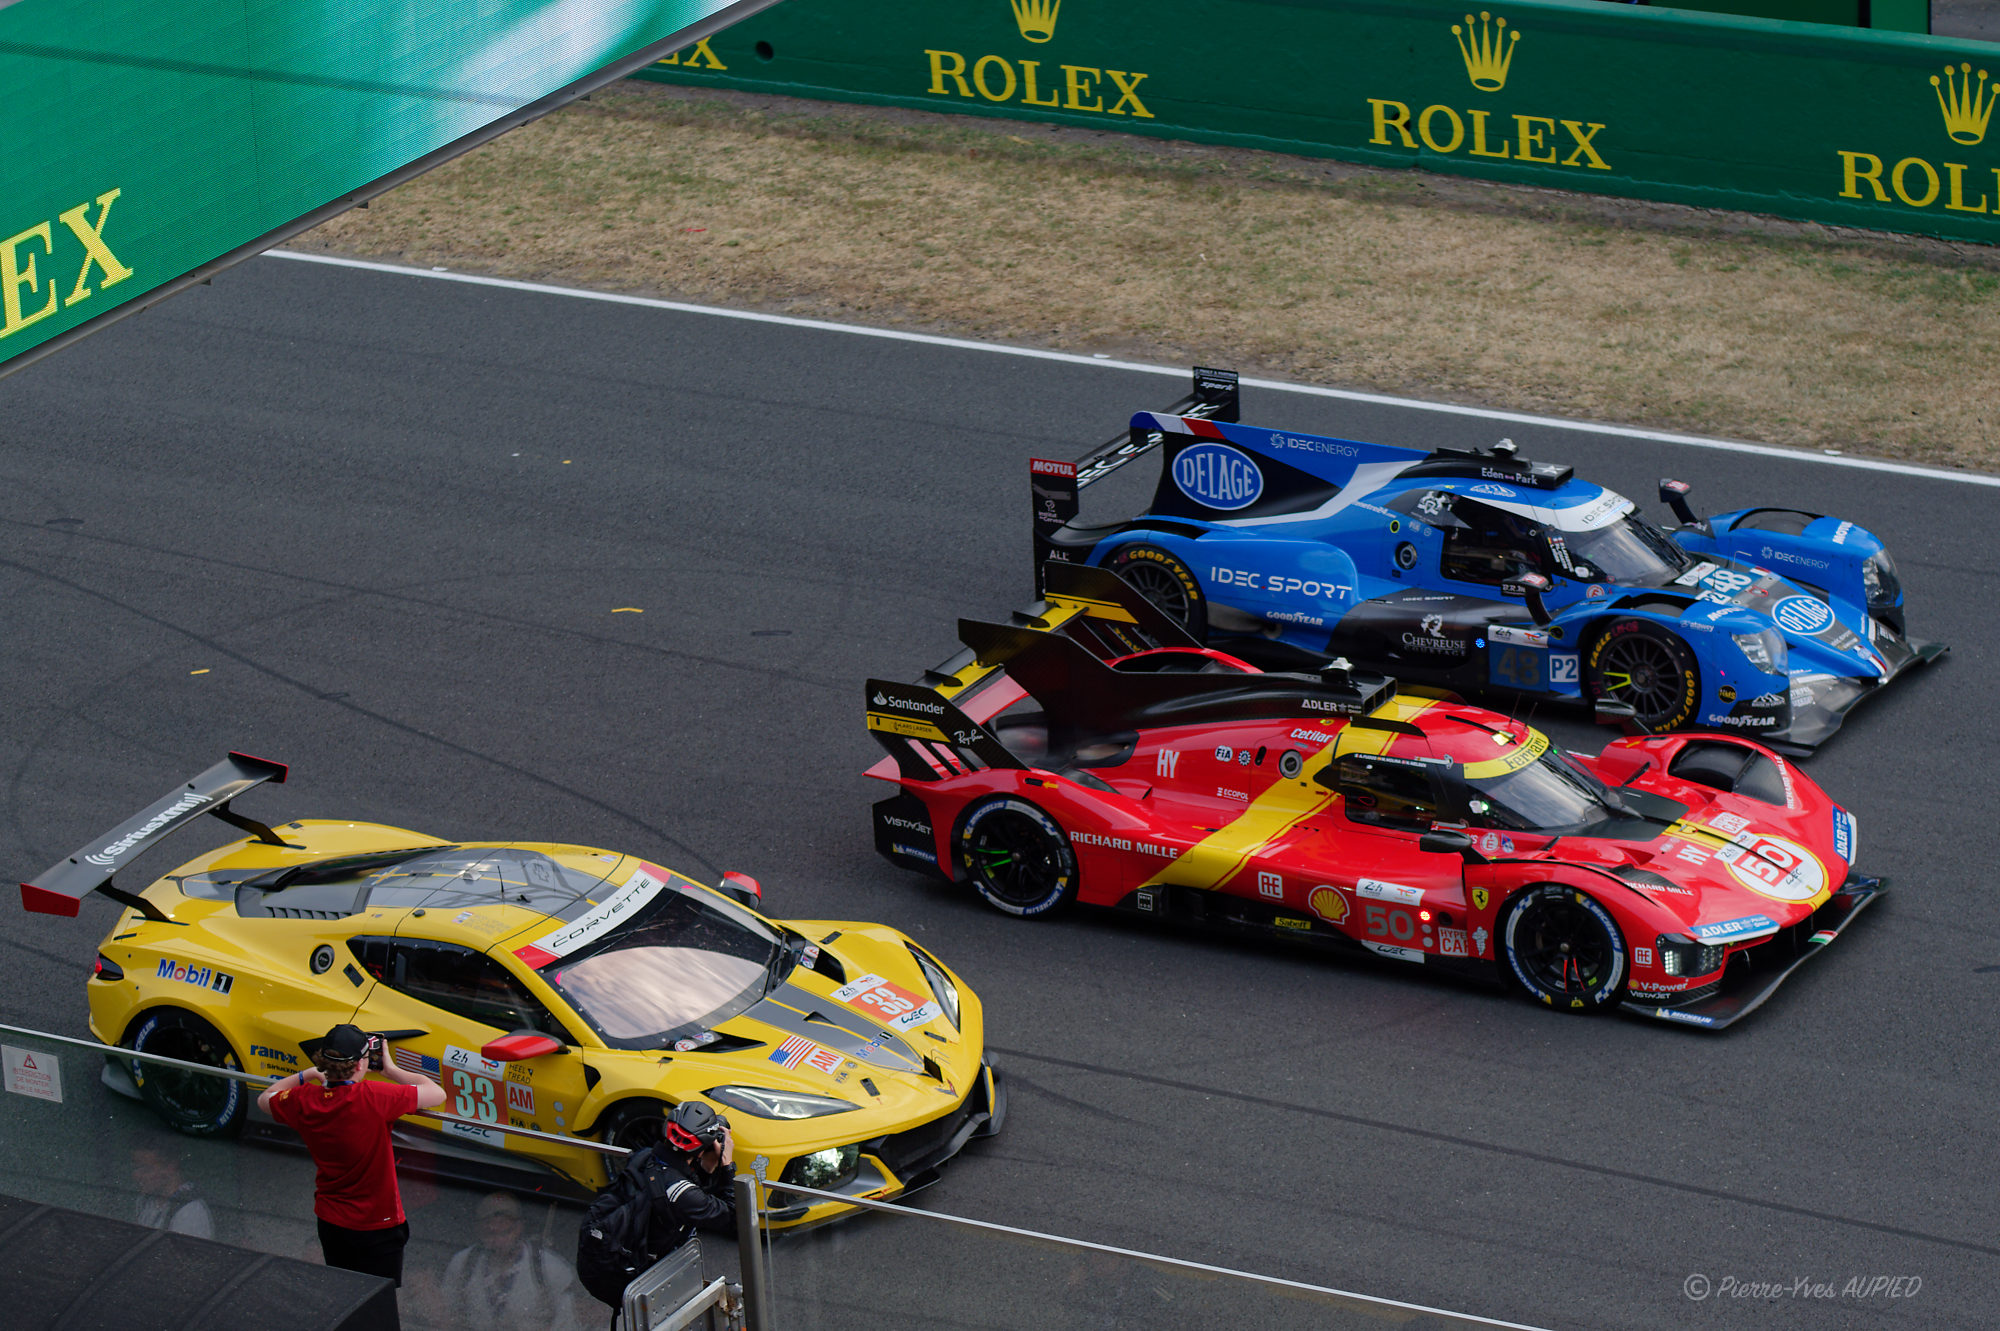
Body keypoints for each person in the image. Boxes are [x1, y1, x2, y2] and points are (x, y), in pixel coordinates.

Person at [258, 1024, 445, 1292]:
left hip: (331, 1221)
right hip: (379, 1226)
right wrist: (391, 1070)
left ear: (324, 1063)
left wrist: (309, 1074)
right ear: (359, 1065)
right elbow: (437, 1094)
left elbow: (266, 1098)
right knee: (377, 1305)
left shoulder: (303, 1100)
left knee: (344, 1296)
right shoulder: (376, 1096)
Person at [438, 1192, 585, 1331]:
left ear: (519, 1227)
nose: (498, 1240)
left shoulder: (551, 1268)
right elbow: (446, 1316)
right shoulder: (463, 1263)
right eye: (491, 1232)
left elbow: (566, 1324)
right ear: (479, 1229)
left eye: (505, 1231)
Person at [131, 1145, 214, 1238]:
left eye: (145, 1169)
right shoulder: (144, 1200)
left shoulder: (190, 1212)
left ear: (170, 1167)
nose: (136, 1175)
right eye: (135, 1168)